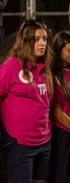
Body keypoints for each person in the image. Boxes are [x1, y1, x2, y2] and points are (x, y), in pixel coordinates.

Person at [0, 19, 53, 183]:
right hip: (19, 142)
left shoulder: (45, 68)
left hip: (44, 140)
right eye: (37, 39)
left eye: (45, 39)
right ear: (26, 41)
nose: (42, 43)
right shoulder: (10, 68)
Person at [48, 31, 70, 183]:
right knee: (59, 176)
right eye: (69, 50)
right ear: (59, 49)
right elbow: (56, 111)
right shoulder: (51, 74)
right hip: (61, 133)